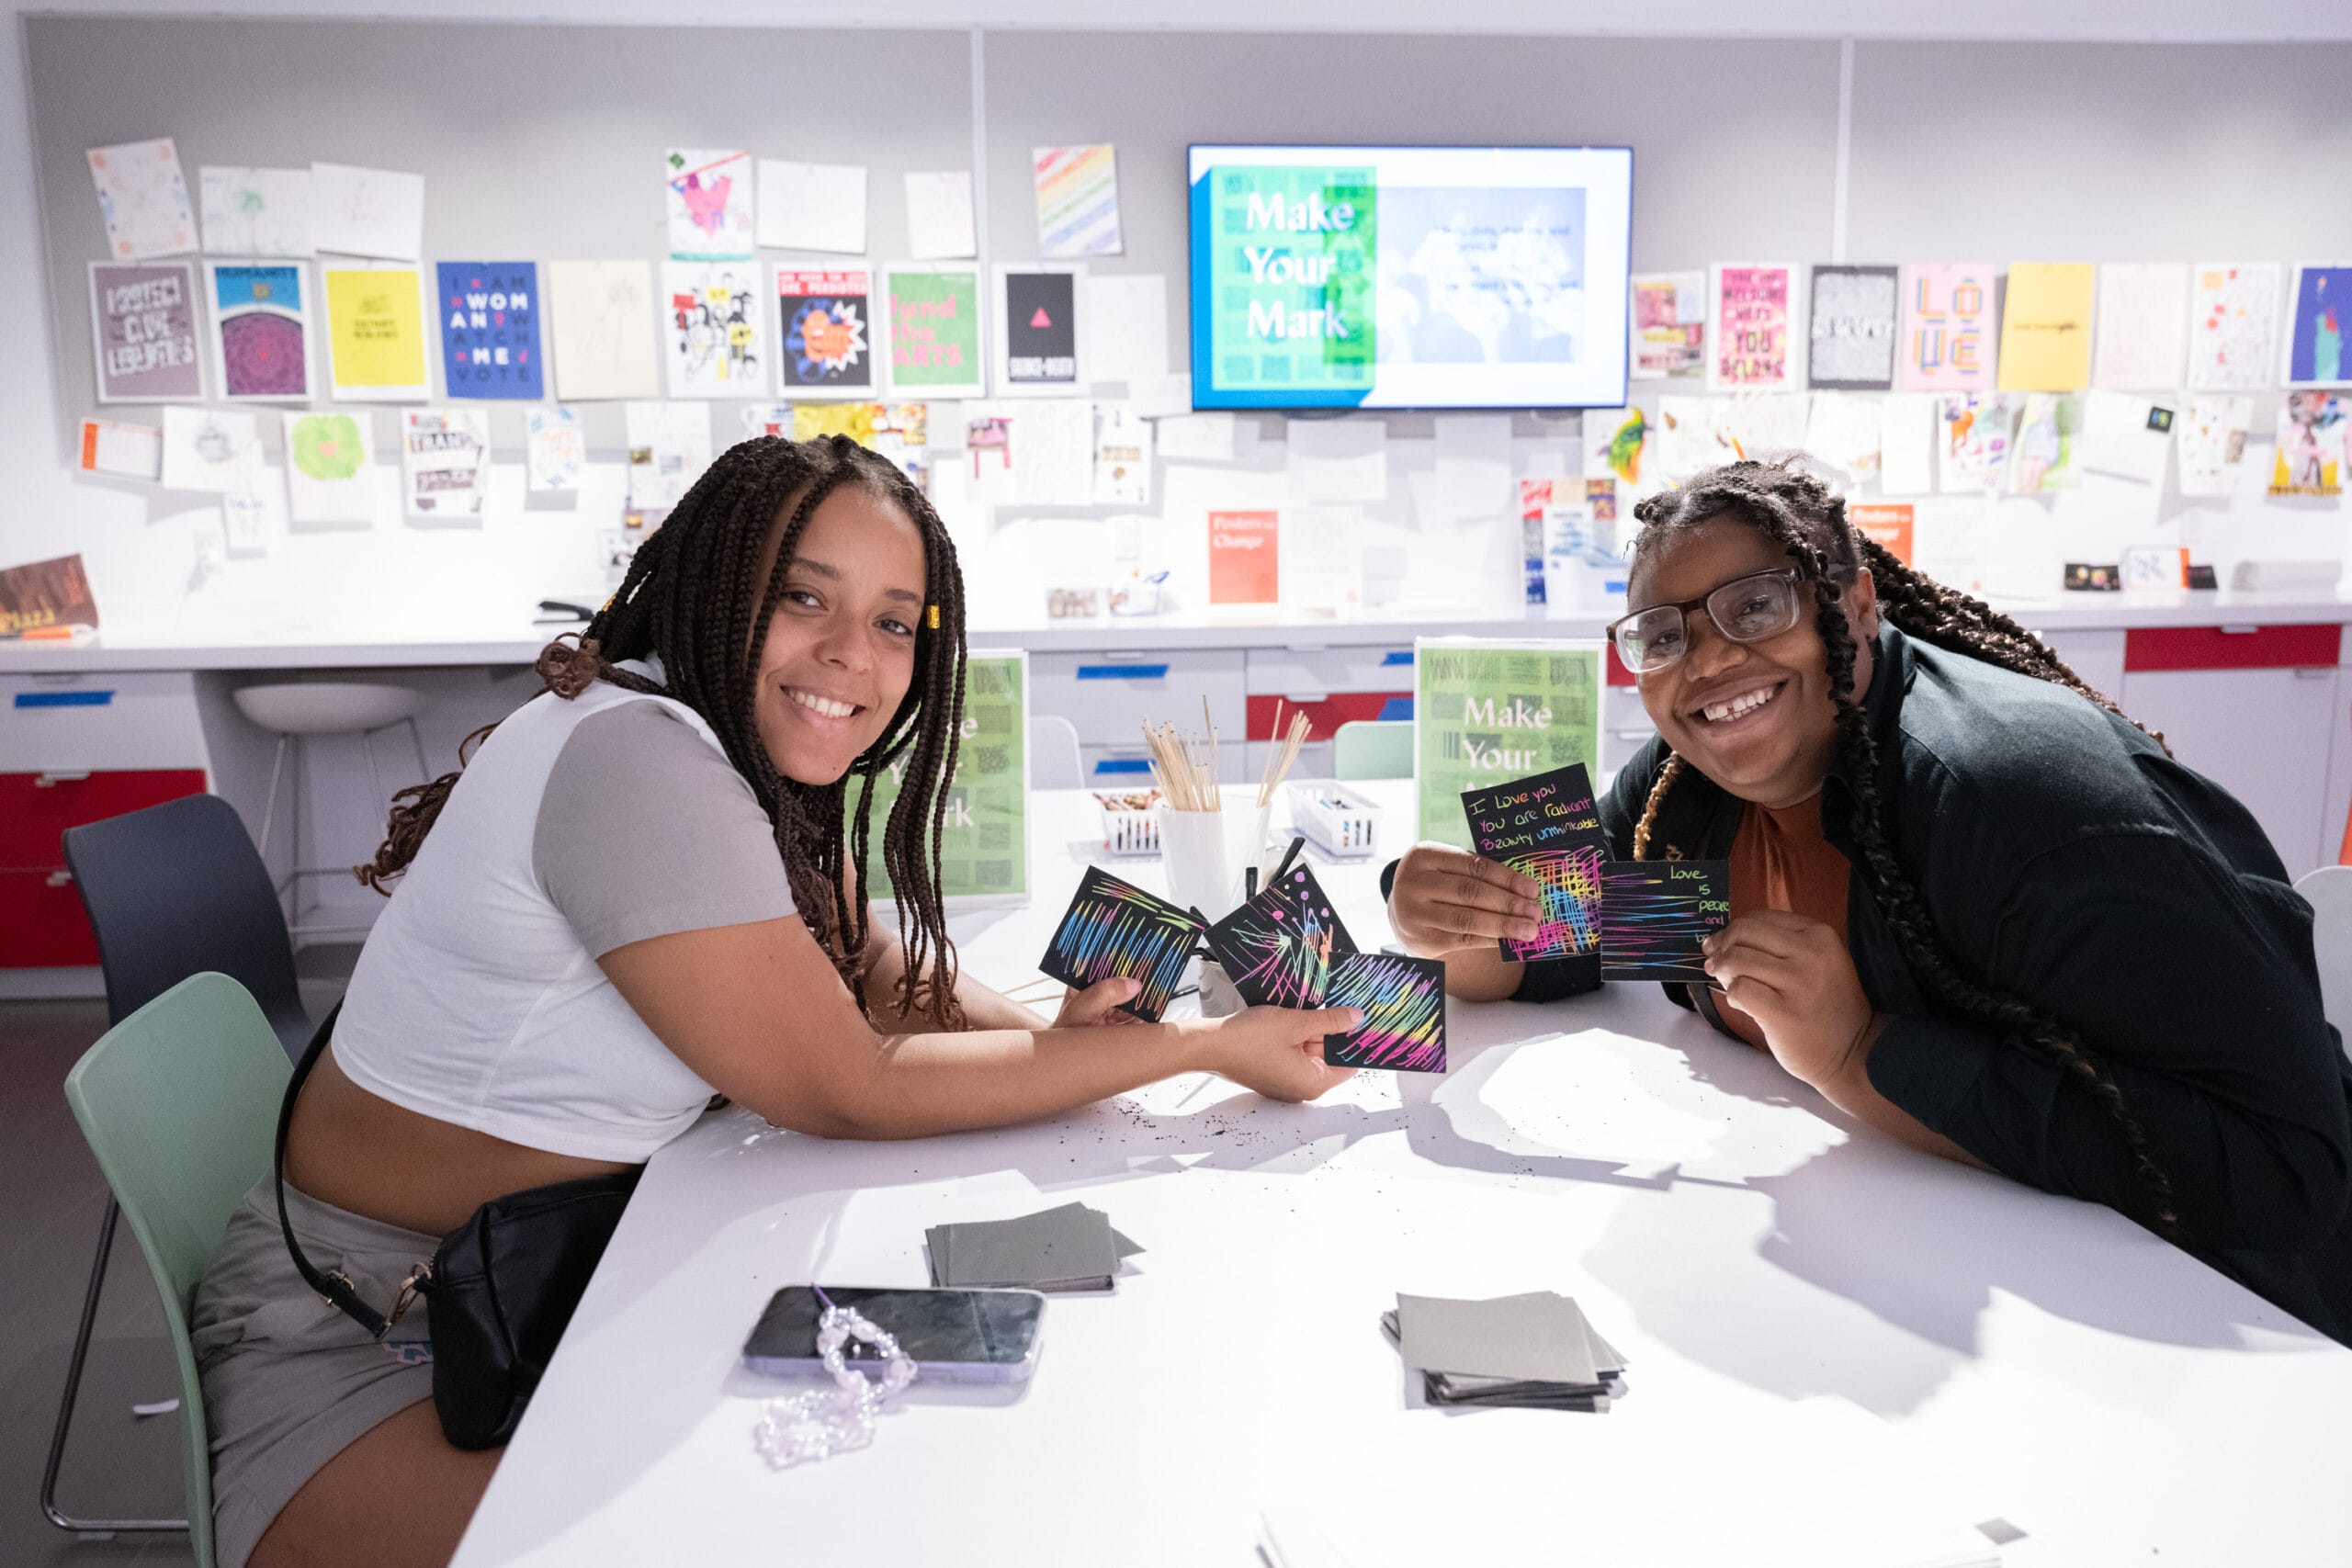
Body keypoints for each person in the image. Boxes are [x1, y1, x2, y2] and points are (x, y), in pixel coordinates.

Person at [193, 435, 1360, 1568]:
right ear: (711, 591)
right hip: (376, 1335)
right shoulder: (640, 763)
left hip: (550, 1280)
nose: (855, 653)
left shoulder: (719, 750)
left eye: (895, 622)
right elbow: (845, 1085)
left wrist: (1053, 1043)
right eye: (805, 600)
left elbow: (881, 969)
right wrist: (1204, 1048)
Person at [1386, 457, 2352, 1343]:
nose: (1709, 661)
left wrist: (1857, 1054)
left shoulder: (2020, 804)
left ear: (1853, 606)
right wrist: (1446, 924)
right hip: (1885, 1279)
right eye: (1663, 637)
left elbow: (2282, 1173)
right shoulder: (1697, 779)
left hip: (2223, 1346)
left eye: (1754, 606)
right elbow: (1567, 919)